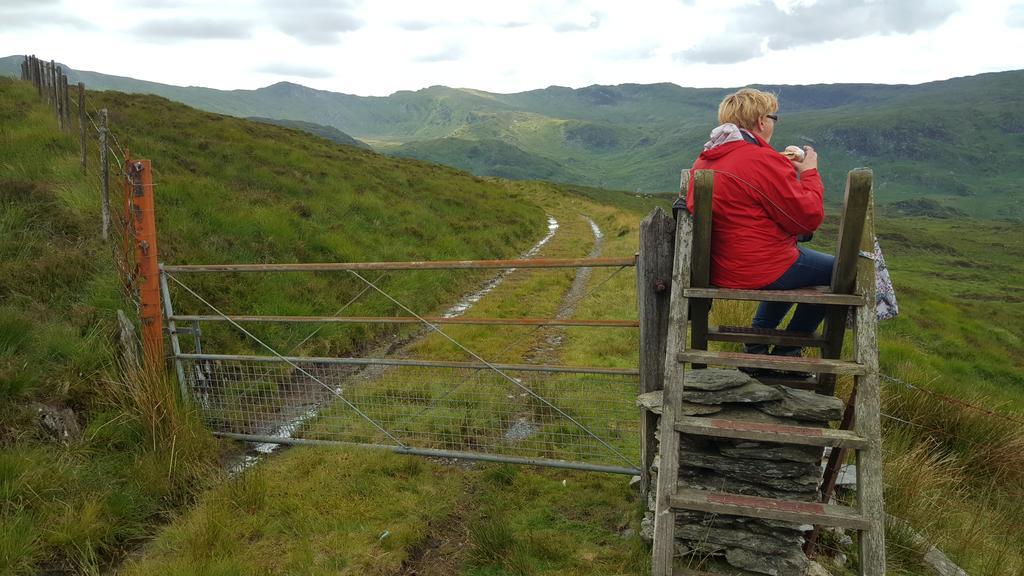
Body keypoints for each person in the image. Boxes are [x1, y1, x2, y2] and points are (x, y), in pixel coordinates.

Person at [686, 88, 832, 369]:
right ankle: (787, 351)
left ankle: (756, 343)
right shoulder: (761, 161)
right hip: (756, 267)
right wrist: (809, 172)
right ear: (762, 122)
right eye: (773, 117)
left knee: (792, 265)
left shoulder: (706, 158)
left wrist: (777, 166)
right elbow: (807, 219)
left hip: (717, 266)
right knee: (842, 270)